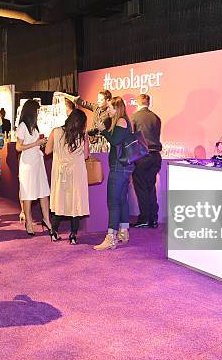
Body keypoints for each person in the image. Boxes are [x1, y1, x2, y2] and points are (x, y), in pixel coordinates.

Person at [94, 96, 134, 251]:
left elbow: (115, 141)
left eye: (110, 107)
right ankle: (123, 232)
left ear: (117, 108)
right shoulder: (123, 121)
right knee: (122, 199)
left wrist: (103, 131)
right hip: (123, 167)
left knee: (113, 202)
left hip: (119, 167)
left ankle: (111, 237)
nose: (108, 110)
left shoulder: (121, 121)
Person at [44, 109, 90, 245]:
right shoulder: (82, 135)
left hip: (60, 172)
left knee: (60, 200)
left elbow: (47, 151)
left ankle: (53, 231)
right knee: (75, 202)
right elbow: (86, 155)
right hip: (76, 172)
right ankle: (73, 235)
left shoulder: (56, 131)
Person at [16, 99, 57, 240]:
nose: (39, 113)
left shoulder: (34, 126)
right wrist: (35, 143)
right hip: (28, 163)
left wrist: (40, 143)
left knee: (44, 191)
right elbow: (18, 147)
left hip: (37, 161)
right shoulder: (22, 126)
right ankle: (28, 221)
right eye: (37, 111)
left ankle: (46, 219)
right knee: (28, 193)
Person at [131, 94, 162, 229]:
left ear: (137, 102)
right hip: (155, 156)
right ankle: (153, 219)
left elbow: (132, 138)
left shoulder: (134, 117)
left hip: (142, 156)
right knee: (151, 187)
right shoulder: (156, 117)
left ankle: (144, 219)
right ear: (149, 102)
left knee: (142, 188)